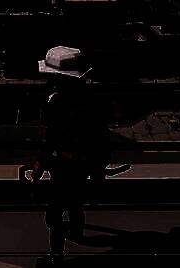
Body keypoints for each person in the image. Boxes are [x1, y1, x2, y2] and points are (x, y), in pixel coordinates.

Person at [30, 47, 111, 263]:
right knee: (75, 202)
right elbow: (100, 136)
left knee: (55, 212)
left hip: (62, 164)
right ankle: (76, 231)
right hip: (83, 163)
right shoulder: (92, 101)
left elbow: (50, 139)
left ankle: (56, 254)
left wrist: (40, 163)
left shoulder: (55, 103)